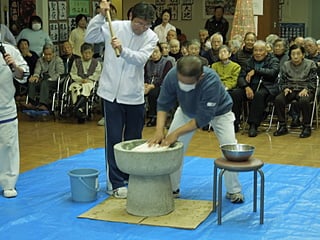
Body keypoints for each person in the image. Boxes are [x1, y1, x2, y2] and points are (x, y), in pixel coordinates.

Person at [85, 1, 158, 199]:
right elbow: (89, 36)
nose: (142, 28)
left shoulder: (151, 36)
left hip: (134, 95)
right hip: (110, 95)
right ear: (130, 17)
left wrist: (122, 49)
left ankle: (130, 176)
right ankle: (115, 182)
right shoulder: (114, 26)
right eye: (139, 23)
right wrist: (101, 15)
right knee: (114, 138)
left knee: (133, 140)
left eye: (146, 24)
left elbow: (140, 59)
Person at [148, 55, 244, 203]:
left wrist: (175, 133)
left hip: (220, 113)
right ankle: (172, 188)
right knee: (173, 149)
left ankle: (234, 190)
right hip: (186, 111)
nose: (184, 85)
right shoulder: (172, 75)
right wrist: (159, 130)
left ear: (201, 76)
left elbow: (202, 119)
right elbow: (163, 103)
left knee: (230, 148)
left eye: (189, 83)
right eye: (181, 81)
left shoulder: (211, 81)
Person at [231, 40, 280, 137]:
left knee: (259, 95)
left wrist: (256, 71)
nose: (258, 53)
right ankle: (235, 123)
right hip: (250, 86)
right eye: (256, 51)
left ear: (266, 52)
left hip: (267, 87)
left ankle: (253, 125)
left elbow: (273, 73)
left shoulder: (273, 60)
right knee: (235, 93)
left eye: (261, 50)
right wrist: (246, 87)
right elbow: (241, 77)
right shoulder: (249, 61)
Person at [0, 42, 29, 198]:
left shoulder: (9, 50)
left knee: (9, 145)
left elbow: (23, 75)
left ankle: (8, 183)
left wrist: (14, 67)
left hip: (5, 108)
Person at [273, 44, 318, 138]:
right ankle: (282, 125)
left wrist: (307, 89)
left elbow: (313, 80)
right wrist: (285, 88)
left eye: (298, 54)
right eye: (293, 54)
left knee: (304, 100)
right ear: (290, 55)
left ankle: (306, 126)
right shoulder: (286, 65)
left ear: (303, 55)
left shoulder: (310, 64)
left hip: (305, 89)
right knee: (278, 99)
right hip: (290, 89)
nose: (296, 56)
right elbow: (281, 81)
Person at [21, 43, 64, 112]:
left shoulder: (58, 60)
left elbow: (60, 73)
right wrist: (35, 76)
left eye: (49, 54)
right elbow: (37, 70)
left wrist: (49, 79)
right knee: (32, 81)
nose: (47, 56)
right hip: (43, 79)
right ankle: (32, 103)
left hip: (54, 81)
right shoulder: (40, 60)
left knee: (45, 82)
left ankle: (44, 104)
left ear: (53, 53)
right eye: (45, 54)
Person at [69, 43, 102, 123]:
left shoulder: (96, 63)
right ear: (81, 53)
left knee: (86, 87)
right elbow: (73, 73)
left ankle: (76, 108)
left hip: (90, 82)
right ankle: (79, 110)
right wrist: (80, 79)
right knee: (74, 88)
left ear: (92, 53)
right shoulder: (76, 62)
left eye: (89, 53)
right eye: (85, 53)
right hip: (78, 82)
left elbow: (97, 74)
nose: (87, 55)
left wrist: (88, 79)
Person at [212, 45, 241, 132]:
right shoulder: (214, 65)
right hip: (217, 88)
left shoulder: (236, 66)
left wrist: (226, 87)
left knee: (234, 95)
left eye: (224, 52)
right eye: (220, 52)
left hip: (230, 88)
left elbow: (234, 80)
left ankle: (235, 123)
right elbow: (213, 78)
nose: (222, 54)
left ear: (229, 54)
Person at [144, 42, 173, 127]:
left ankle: (154, 117)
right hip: (148, 85)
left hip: (162, 86)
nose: (154, 54)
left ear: (161, 52)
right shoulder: (148, 63)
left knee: (153, 93)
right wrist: (145, 84)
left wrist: (152, 86)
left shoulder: (167, 62)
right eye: (152, 52)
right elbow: (144, 76)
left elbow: (165, 78)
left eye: (156, 51)